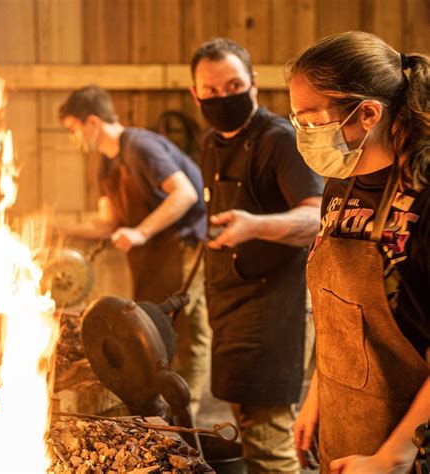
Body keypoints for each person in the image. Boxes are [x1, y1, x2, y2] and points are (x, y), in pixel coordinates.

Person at [287, 31, 430, 474]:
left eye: (312, 120)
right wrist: (317, 396)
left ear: (367, 113)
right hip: (346, 436)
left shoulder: (422, 200)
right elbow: (341, 317)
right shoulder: (340, 185)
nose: (304, 134)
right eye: (297, 121)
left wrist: (394, 456)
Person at [189, 38, 324, 473]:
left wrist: (254, 226)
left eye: (232, 84)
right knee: (248, 429)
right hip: (229, 307)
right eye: (209, 90)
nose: (221, 97)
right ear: (195, 94)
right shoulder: (210, 143)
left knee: (268, 446)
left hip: (273, 311)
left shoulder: (278, 140)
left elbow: (318, 217)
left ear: (253, 84)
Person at [57, 85, 212, 420]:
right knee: (154, 334)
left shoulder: (141, 146)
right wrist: (59, 229)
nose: (75, 138)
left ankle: (183, 417)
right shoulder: (106, 165)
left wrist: (141, 231)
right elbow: (108, 222)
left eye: (74, 129)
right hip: (151, 258)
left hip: (181, 248)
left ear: (93, 122)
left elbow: (184, 194)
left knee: (182, 335)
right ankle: (166, 411)